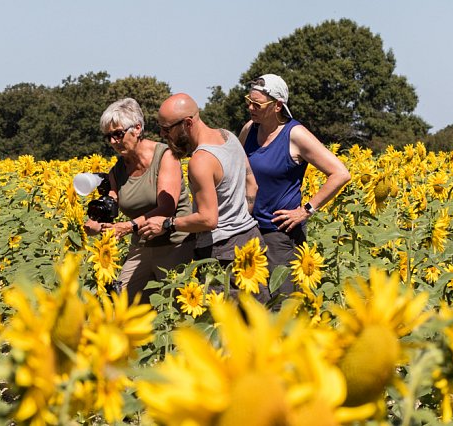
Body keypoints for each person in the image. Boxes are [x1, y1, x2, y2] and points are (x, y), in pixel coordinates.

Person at [139, 94, 266, 301]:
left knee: (222, 326)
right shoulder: (229, 137)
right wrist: (239, 220)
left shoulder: (200, 161)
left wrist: (167, 224)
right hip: (251, 239)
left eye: (167, 128)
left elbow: (208, 219)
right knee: (258, 319)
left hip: (223, 253)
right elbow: (252, 184)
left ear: (188, 123)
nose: (162, 134)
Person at [238, 74, 351, 299]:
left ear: (278, 105)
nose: (250, 107)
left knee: (281, 301)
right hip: (247, 229)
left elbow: (340, 173)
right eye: (248, 101)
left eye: (257, 104)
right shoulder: (250, 129)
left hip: (279, 234)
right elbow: (238, 167)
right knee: (249, 303)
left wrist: (305, 211)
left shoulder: (295, 134)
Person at [83, 98, 194, 304]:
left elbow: (166, 207)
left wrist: (128, 226)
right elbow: (112, 204)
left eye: (117, 134)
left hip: (175, 244)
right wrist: (96, 224)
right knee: (122, 303)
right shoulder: (118, 170)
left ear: (137, 128)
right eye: (108, 136)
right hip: (142, 246)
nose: (113, 142)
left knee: (177, 307)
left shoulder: (166, 155)